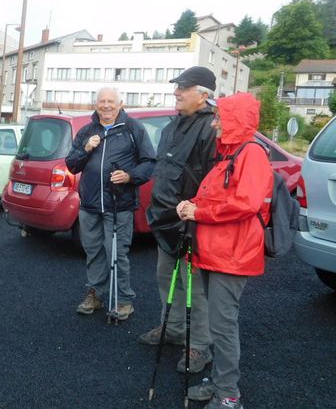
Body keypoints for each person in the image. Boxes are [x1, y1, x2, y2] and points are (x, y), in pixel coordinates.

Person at [177, 92, 272, 409]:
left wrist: (199, 212)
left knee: (223, 326)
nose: (215, 122)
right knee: (220, 325)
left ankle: (228, 396)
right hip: (217, 252)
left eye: (220, 117)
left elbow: (245, 203)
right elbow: (221, 198)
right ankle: (220, 384)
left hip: (232, 256)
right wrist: (194, 204)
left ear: (235, 121)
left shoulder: (251, 155)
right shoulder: (230, 155)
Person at [141, 66, 218, 374]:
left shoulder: (211, 128)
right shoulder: (171, 127)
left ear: (203, 95)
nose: (176, 92)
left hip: (191, 223)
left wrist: (195, 215)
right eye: (177, 87)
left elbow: (211, 181)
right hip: (164, 218)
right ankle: (172, 329)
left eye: (183, 88)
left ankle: (199, 346)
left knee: (194, 289)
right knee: (164, 277)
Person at [66, 87, 156, 320]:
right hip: (90, 205)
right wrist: (85, 150)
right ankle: (95, 294)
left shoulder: (133, 129)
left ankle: (124, 300)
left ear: (120, 103)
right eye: (101, 101)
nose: (106, 105)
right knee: (93, 251)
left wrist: (129, 176)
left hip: (120, 204)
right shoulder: (87, 131)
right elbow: (72, 165)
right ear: (95, 104)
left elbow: (149, 163)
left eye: (111, 101)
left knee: (117, 253)